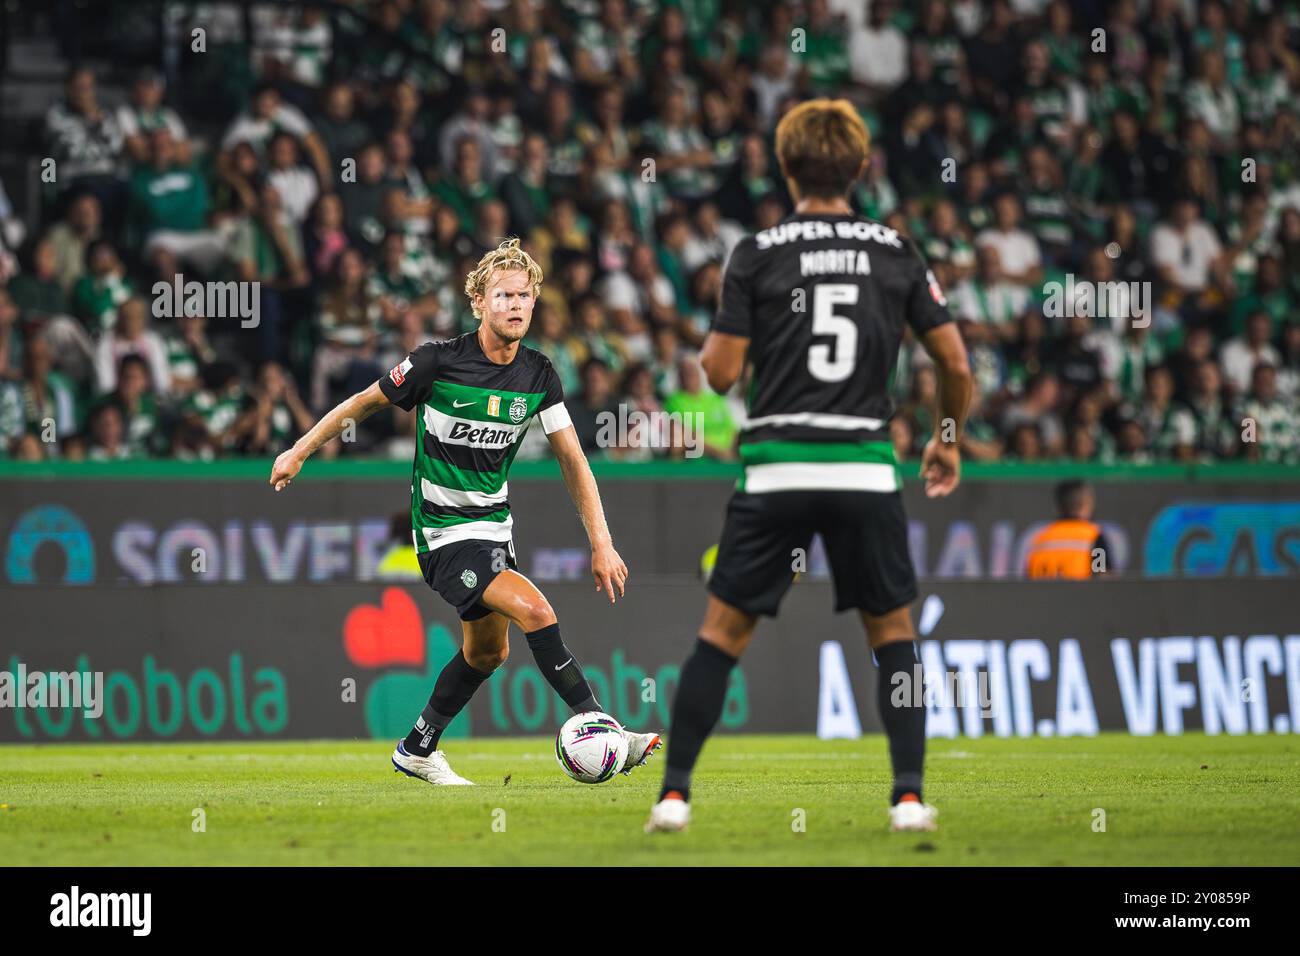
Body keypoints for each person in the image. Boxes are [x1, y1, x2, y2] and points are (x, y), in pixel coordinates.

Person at [645, 99, 972, 835]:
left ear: (787, 168)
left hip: (777, 471)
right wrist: (946, 436)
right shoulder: (895, 251)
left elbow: (721, 374)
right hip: (862, 469)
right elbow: (953, 360)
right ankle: (910, 799)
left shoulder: (758, 252)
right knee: (893, 636)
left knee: (721, 636)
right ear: (861, 167)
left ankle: (673, 798)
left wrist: (726, 344)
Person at [269, 238, 660, 785]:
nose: (516, 305)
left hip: (494, 529)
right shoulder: (436, 361)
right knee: (537, 611)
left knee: (486, 654)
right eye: (503, 295)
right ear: (478, 301)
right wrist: (298, 451)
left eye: (524, 296)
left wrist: (602, 541)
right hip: (440, 532)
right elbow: (363, 402)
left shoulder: (539, 375)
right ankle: (600, 724)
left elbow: (573, 459)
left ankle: (416, 748)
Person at [1024, 480, 1110, 579]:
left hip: (1039, 594)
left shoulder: (1041, 537)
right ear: (1084, 505)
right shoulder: (1094, 536)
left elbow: (1029, 576)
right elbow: (1102, 577)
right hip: (1079, 593)